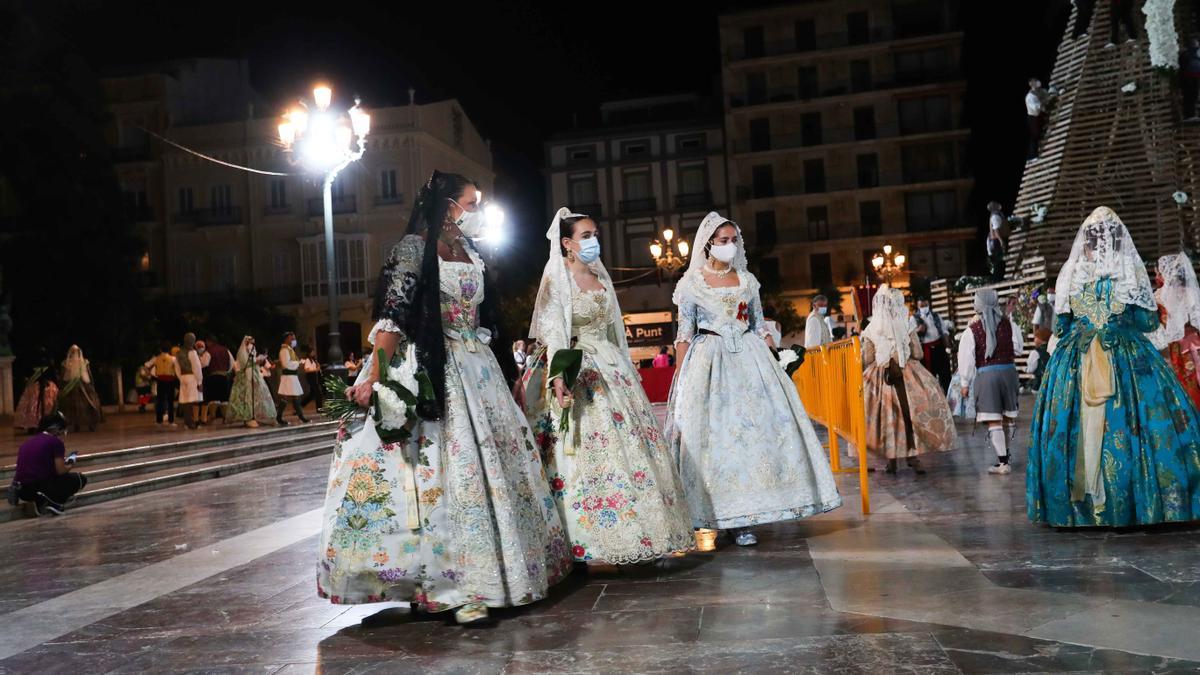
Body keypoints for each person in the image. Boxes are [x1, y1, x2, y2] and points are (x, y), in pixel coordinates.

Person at [318, 170, 570, 624]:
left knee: (489, 470)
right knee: (441, 476)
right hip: (435, 370)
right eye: (471, 204)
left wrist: (510, 373)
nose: (476, 212)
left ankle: (498, 572)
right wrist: (373, 375)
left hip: (479, 369)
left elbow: (489, 319)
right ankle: (449, 584)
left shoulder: (470, 251)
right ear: (448, 205)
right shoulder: (414, 250)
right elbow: (393, 319)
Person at [519, 208, 694, 564]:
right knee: (585, 449)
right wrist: (558, 375)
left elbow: (615, 325)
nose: (593, 240)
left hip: (612, 364)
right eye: (585, 236)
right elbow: (553, 330)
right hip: (578, 362)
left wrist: (626, 364)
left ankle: (642, 531)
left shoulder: (601, 276)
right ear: (567, 244)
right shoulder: (558, 278)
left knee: (632, 444)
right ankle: (587, 540)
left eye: (594, 233)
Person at [666, 212, 841, 547]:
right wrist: (682, 377)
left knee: (755, 435)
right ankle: (713, 516)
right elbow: (684, 334)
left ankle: (747, 518)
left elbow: (760, 326)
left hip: (749, 362)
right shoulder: (691, 285)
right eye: (723, 241)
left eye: (734, 240)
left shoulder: (747, 281)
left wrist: (777, 360)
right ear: (708, 245)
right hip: (709, 363)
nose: (730, 246)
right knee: (714, 440)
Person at [1027, 206, 1200, 527]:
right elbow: (1147, 321)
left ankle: (1080, 507)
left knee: (1070, 425)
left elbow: (1062, 326)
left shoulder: (1073, 274)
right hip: (1126, 356)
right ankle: (1137, 503)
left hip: (1075, 359)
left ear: (1088, 243)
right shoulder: (1129, 274)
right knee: (1144, 421)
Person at [863, 287, 957, 475]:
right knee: (911, 415)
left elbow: (867, 358)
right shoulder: (907, 324)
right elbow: (918, 353)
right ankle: (913, 458)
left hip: (881, 378)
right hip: (908, 375)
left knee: (886, 418)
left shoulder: (871, 328)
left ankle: (891, 459)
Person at [957, 288, 1025, 475]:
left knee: (994, 420)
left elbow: (967, 359)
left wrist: (964, 383)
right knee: (1008, 417)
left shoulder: (972, 330)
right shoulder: (1008, 324)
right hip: (1009, 372)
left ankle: (1002, 462)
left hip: (987, 376)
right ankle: (1007, 454)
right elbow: (1018, 349)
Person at [8, 412, 88, 516]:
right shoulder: (55, 442)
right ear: (57, 429)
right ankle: (54, 503)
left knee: (45, 481)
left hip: (24, 492)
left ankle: (39, 501)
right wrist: (71, 463)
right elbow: (61, 471)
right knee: (79, 479)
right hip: (43, 487)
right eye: (62, 430)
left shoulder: (27, 443)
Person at [1153, 252, 1200, 411]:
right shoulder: (1191, 292)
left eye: (1158, 272)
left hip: (1172, 346)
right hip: (1193, 342)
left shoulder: (1158, 296)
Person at [228, 336, 277, 428]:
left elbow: (253, 360)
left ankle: (260, 416)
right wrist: (256, 361)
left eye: (252, 343)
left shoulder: (252, 350)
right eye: (250, 342)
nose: (251, 344)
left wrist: (258, 360)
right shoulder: (242, 352)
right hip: (246, 375)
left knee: (260, 394)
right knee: (247, 396)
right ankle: (248, 417)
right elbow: (243, 363)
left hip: (255, 373)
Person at [910, 295, 953, 392]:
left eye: (925, 305)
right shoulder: (913, 318)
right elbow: (911, 335)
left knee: (945, 375)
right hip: (926, 350)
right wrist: (918, 330)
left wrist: (948, 344)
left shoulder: (936, 316)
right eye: (921, 306)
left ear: (928, 304)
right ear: (917, 306)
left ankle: (949, 396)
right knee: (929, 377)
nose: (923, 308)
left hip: (939, 347)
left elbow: (944, 330)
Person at [59, 345, 103, 432]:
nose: (75, 354)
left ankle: (89, 424)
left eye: (76, 352)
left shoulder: (84, 362)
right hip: (73, 386)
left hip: (83, 385)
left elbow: (88, 374)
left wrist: (91, 383)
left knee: (88, 404)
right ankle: (77, 424)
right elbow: (63, 376)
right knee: (74, 406)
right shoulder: (66, 363)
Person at [13, 365, 59, 433]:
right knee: (33, 405)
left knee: (44, 405)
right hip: (35, 386)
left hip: (47, 387)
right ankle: (34, 425)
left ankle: (43, 424)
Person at [276, 332, 308, 426]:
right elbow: (286, 364)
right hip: (288, 376)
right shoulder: (284, 350)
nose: (294, 340)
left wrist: (298, 362)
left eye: (294, 338)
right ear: (286, 339)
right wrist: (298, 363)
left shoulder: (290, 349)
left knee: (295, 396)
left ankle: (301, 416)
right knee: (286, 397)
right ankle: (279, 417)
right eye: (291, 338)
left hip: (292, 376)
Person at [201, 335, 234, 424]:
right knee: (224, 398)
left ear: (209, 342)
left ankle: (213, 416)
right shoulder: (226, 350)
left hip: (213, 377)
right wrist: (227, 371)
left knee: (213, 398)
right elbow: (232, 363)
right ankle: (225, 417)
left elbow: (204, 364)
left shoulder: (209, 351)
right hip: (224, 377)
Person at [176, 333, 204, 430]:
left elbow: (177, 368)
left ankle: (187, 421)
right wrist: (199, 382)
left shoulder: (179, 352)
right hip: (192, 377)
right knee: (191, 401)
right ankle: (190, 422)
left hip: (183, 377)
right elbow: (197, 367)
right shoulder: (192, 352)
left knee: (185, 400)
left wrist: (181, 378)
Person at [1030, 287, 1055, 390]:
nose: (1051, 294)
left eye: (1053, 292)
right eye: (1050, 292)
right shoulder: (1043, 306)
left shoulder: (1059, 305)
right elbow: (1035, 323)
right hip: (1044, 337)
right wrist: (1037, 336)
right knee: (1042, 360)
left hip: (1055, 337)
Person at [149, 342, 179, 427]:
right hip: (170, 381)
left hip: (160, 380)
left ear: (160, 349)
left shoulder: (156, 358)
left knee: (160, 401)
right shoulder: (173, 359)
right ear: (169, 350)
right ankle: (171, 421)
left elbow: (147, 366)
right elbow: (177, 370)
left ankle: (159, 421)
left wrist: (154, 374)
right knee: (170, 401)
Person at [1026, 79, 1046, 161]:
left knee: (1039, 134)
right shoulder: (1030, 96)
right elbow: (1035, 107)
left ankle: (1037, 152)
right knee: (1034, 136)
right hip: (1033, 117)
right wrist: (1042, 104)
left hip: (1038, 116)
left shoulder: (1039, 92)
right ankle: (1032, 156)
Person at [300, 347, 325, 413]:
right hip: (311, 377)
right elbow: (306, 370)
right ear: (309, 353)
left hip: (314, 377)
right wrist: (316, 369)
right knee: (318, 393)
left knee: (312, 395)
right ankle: (319, 409)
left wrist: (318, 367)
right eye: (312, 352)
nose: (313, 353)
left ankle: (300, 406)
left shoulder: (313, 360)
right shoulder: (307, 360)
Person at [1181, 38, 1200, 122]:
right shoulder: (1186, 54)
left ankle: (1190, 115)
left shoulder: (1187, 54)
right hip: (1189, 78)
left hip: (1193, 77)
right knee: (1190, 97)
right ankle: (1189, 115)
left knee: (1193, 96)